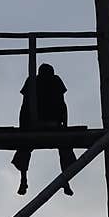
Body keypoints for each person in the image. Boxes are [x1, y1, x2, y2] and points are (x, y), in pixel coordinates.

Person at [11, 63, 77, 196]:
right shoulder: (34, 81)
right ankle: (24, 179)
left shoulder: (53, 81)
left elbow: (62, 104)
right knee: (25, 148)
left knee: (64, 150)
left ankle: (65, 180)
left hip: (49, 124)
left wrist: (65, 126)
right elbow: (25, 106)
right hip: (39, 124)